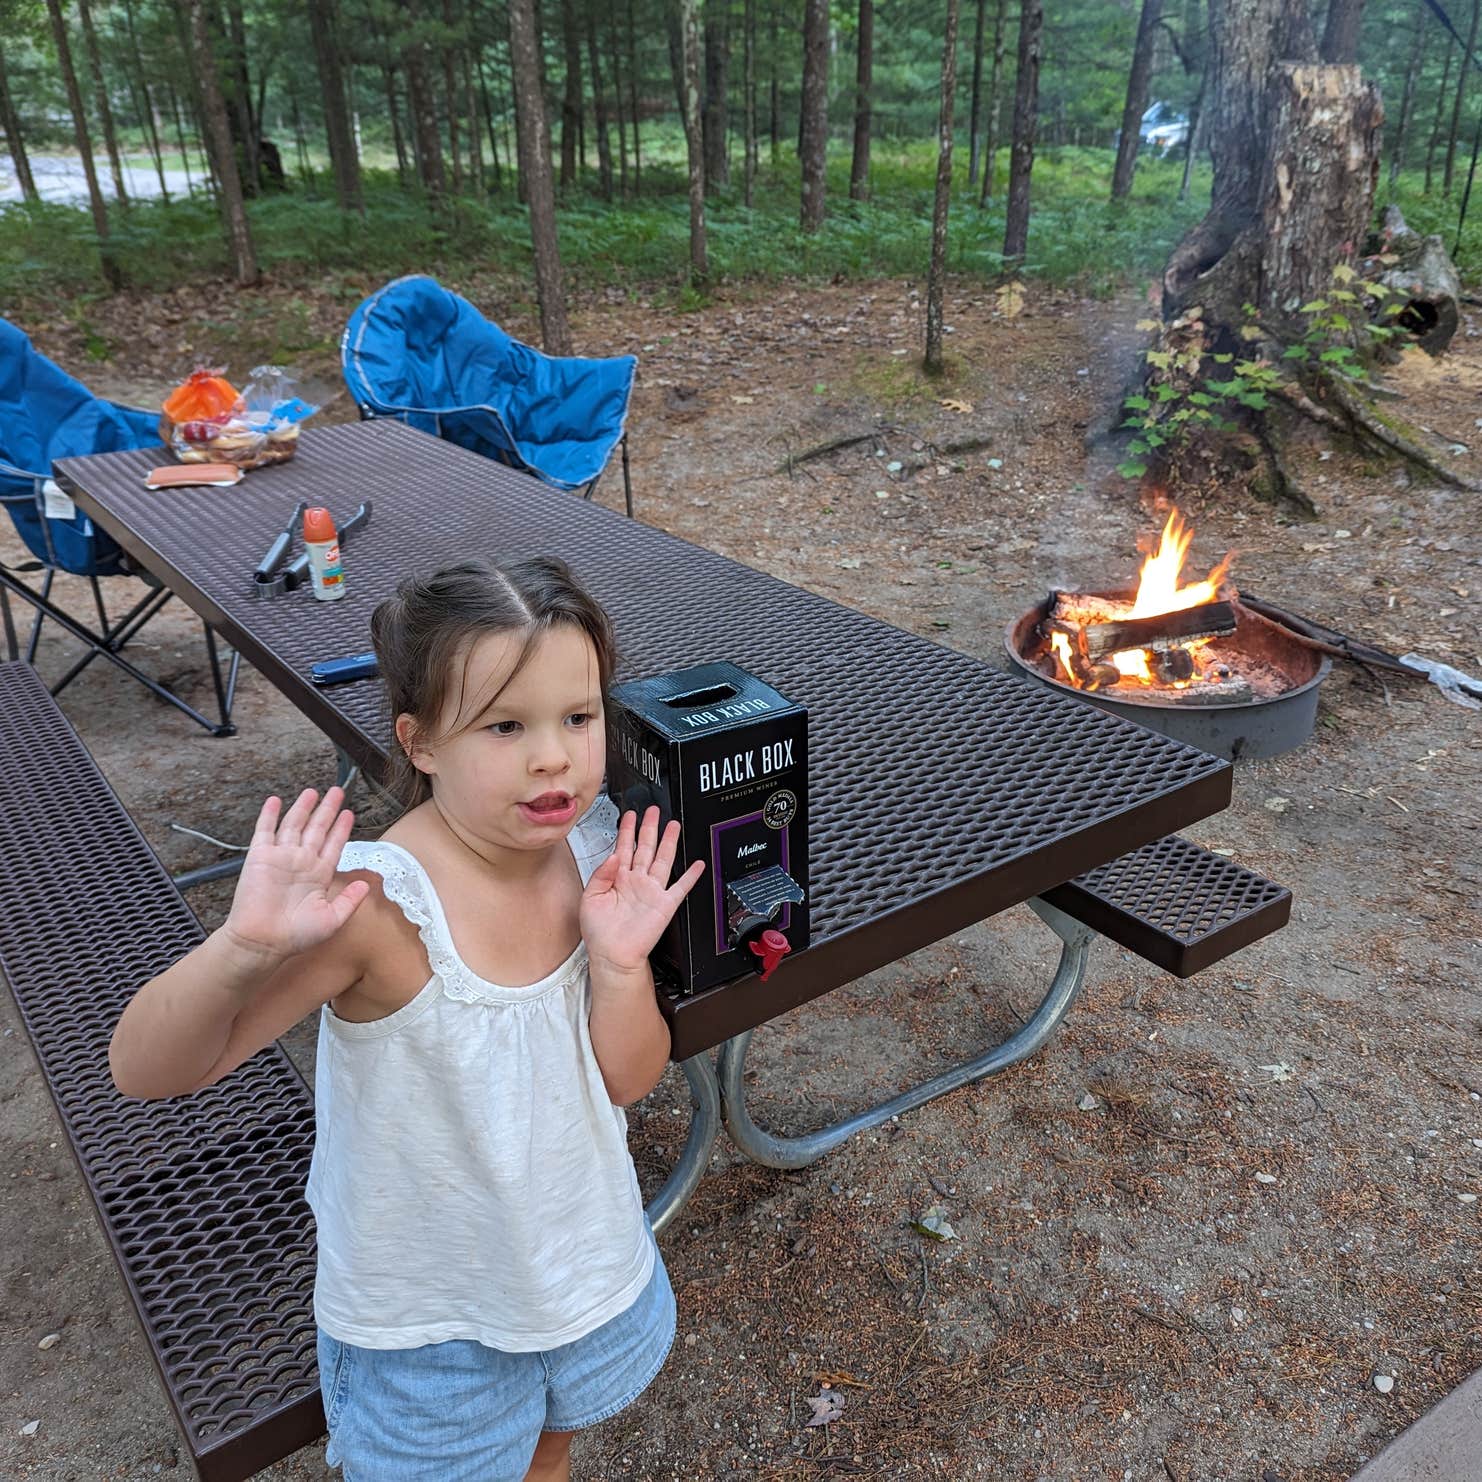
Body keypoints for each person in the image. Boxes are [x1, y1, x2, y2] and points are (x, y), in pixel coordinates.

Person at [109, 556, 705, 1482]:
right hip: (431, 1323)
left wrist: (623, 966)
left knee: (553, 1444)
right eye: (505, 726)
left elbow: (629, 1079)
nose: (554, 756)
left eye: (578, 718)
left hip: (577, 1264)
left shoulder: (592, 852)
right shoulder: (380, 909)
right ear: (419, 742)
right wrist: (242, 950)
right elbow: (145, 1069)